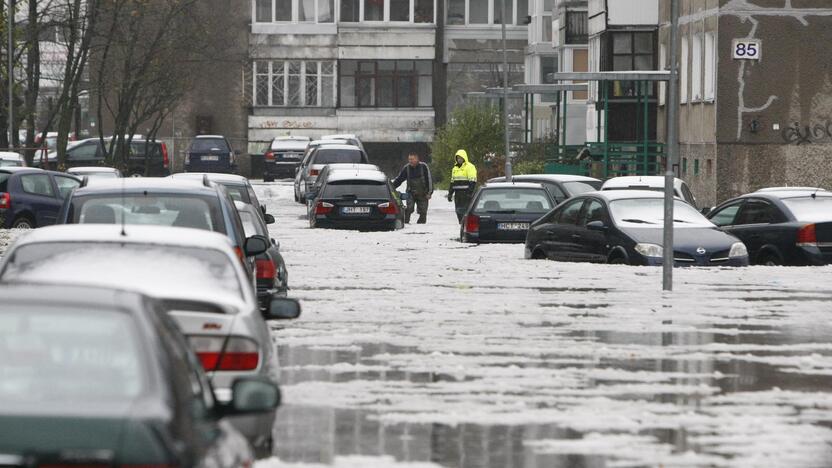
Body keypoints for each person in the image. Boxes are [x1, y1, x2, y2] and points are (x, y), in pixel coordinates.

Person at [391, 152, 433, 224]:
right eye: (409, 159)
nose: (410, 161)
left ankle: (421, 227)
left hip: (423, 193)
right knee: (409, 209)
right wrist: (391, 188)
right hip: (411, 193)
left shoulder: (424, 166)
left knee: (423, 211)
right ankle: (405, 223)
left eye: (412, 159)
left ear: (417, 159)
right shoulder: (406, 168)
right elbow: (399, 179)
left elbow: (429, 180)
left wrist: (429, 192)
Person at [447, 149, 477, 223]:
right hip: (458, 194)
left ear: (464, 158)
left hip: (466, 193)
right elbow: (452, 182)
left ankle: (465, 224)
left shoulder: (470, 167)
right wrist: (450, 193)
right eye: (458, 158)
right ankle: (461, 224)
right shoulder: (455, 168)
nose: (459, 159)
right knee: (458, 211)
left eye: (460, 158)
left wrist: (470, 193)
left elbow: (472, 181)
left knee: (465, 211)